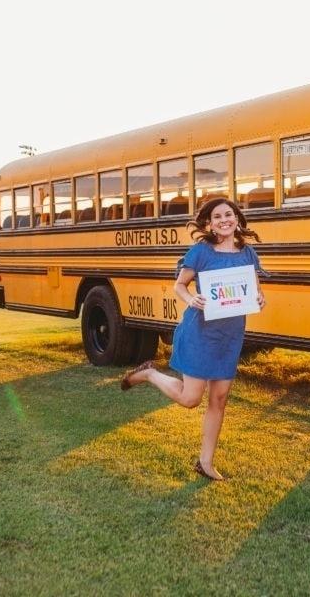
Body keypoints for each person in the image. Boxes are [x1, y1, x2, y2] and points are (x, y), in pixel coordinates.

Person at [120, 197, 266, 481]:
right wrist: (192, 298)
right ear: (209, 224)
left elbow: (254, 291)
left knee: (219, 399)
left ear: (237, 218)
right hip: (200, 331)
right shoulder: (201, 251)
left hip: (229, 335)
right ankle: (150, 373)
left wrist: (260, 298)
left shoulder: (247, 254)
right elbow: (179, 285)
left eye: (229, 214)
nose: (224, 220)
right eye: (217, 216)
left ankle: (205, 462)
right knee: (190, 398)